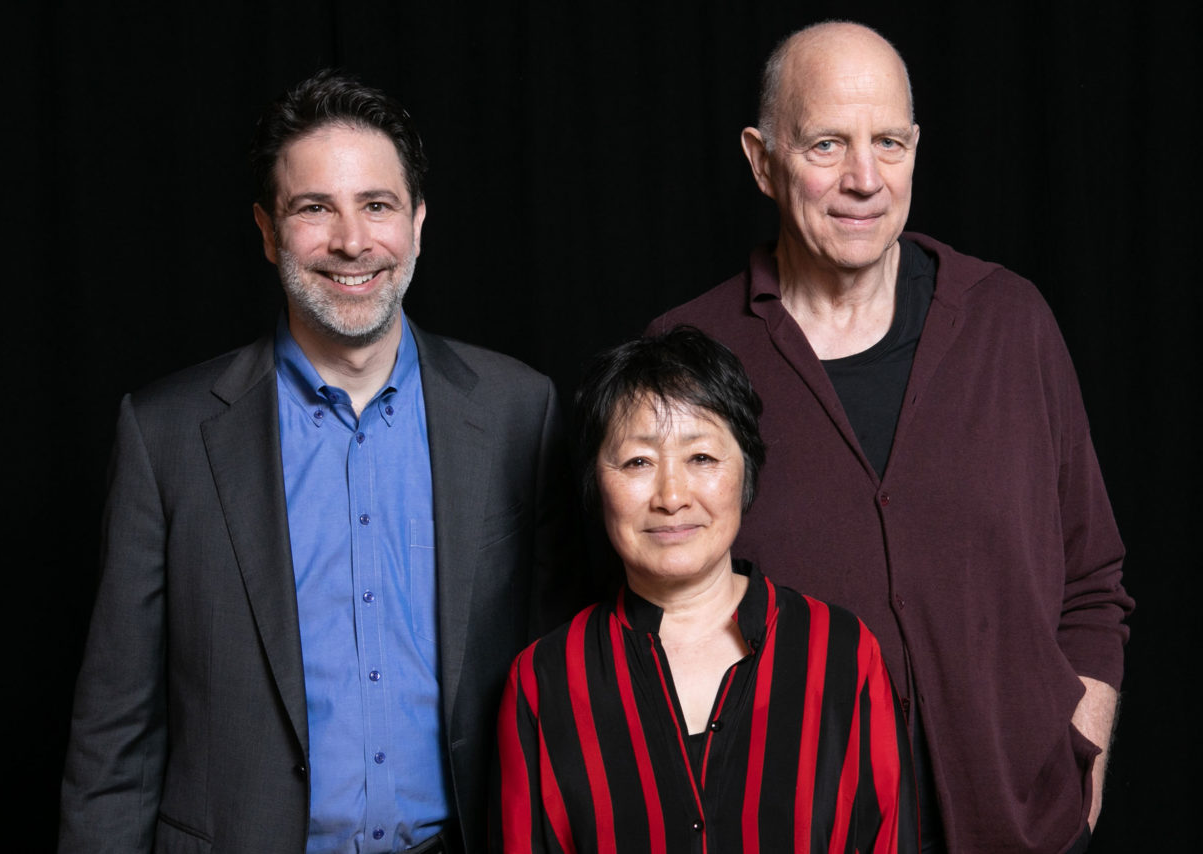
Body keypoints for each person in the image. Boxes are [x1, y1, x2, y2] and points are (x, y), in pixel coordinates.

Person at [59, 70, 576, 854]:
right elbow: (115, 735)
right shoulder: (165, 435)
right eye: (314, 209)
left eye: (377, 205)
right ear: (268, 232)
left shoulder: (518, 411)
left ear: (419, 222)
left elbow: (566, 685)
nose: (351, 241)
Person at [647, 21, 1132, 854]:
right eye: (828, 145)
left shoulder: (1010, 323)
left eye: (890, 144)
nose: (864, 180)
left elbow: (1091, 579)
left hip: (1022, 830)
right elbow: (646, 624)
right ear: (763, 160)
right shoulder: (686, 358)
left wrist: (1077, 756)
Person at [494, 327, 917, 853]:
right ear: (594, 484)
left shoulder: (842, 653)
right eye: (637, 462)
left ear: (747, 472)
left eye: (701, 458)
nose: (671, 497)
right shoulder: (546, 680)